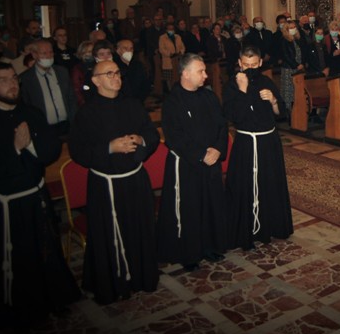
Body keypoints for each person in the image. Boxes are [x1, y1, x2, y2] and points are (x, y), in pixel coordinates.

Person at [0, 62, 80, 331]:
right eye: (3, 80)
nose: (12, 84)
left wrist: (30, 145)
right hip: (7, 204)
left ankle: (53, 297)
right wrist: (15, 149)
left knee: (46, 250)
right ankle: (19, 306)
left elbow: (52, 149)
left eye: (14, 78)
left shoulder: (31, 113)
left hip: (35, 195)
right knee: (18, 257)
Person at [69, 60, 161, 305]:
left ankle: (142, 276)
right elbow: (78, 151)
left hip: (135, 178)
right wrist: (109, 148)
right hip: (106, 184)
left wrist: (141, 140)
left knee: (141, 228)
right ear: (96, 80)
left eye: (117, 73)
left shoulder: (132, 104)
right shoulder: (86, 113)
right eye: (109, 74)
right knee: (109, 236)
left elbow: (151, 134)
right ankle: (114, 283)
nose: (116, 77)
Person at [157, 53, 229, 271]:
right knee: (190, 208)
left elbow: (222, 126)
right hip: (187, 165)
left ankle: (210, 246)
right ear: (185, 74)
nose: (206, 76)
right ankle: (189, 252)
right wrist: (200, 154)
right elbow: (174, 137)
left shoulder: (209, 97)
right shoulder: (172, 102)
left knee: (211, 204)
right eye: (201, 71)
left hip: (211, 161)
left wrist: (218, 149)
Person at [223, 47, 292, 250]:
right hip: (247, 142)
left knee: (270, 183)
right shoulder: (232, 85)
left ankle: (272, 226)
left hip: (269, 142)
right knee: (245, 187)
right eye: (246, 65)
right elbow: (234, 116)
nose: (250, 68)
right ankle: (247, 230)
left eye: (254, 65)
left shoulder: (267, 82)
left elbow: (281, 114)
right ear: (239, 62)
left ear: (260, 63)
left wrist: (273, 101)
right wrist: (243, 90)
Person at [19, 39, 77, 137]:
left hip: (66, 125)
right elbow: (26, 105)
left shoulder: (62, 72)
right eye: (44, 53)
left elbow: (71, 98)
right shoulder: (26, 78)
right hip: (44, 129)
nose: (49, 56)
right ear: (34, 55)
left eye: (50, 52)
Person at [280, 21, 306, 113]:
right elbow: (285, 55)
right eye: (290, 28)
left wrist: (302, 63)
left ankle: (298, 110)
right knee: (289, 92)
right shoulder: (284, 40)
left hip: (299, 68)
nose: (293, 29)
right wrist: (296, 65)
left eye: (294, 27)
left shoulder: (298, 39)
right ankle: (289, 112)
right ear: (286, 30)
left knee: (298, 90)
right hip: (289, 68)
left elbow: (303, 52)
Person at [158, 23, 186, 93]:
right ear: (166, 30)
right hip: (168, 61)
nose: (171, 30)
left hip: (177, 60)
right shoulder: (162, 38)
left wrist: (181, 52)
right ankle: (170, 92)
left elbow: (183, 47)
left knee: (178, 77)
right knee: (169, 78)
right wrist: (169, 53)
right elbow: (161, 49)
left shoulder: (178, 37)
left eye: (172, 29)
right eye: (169, 29)